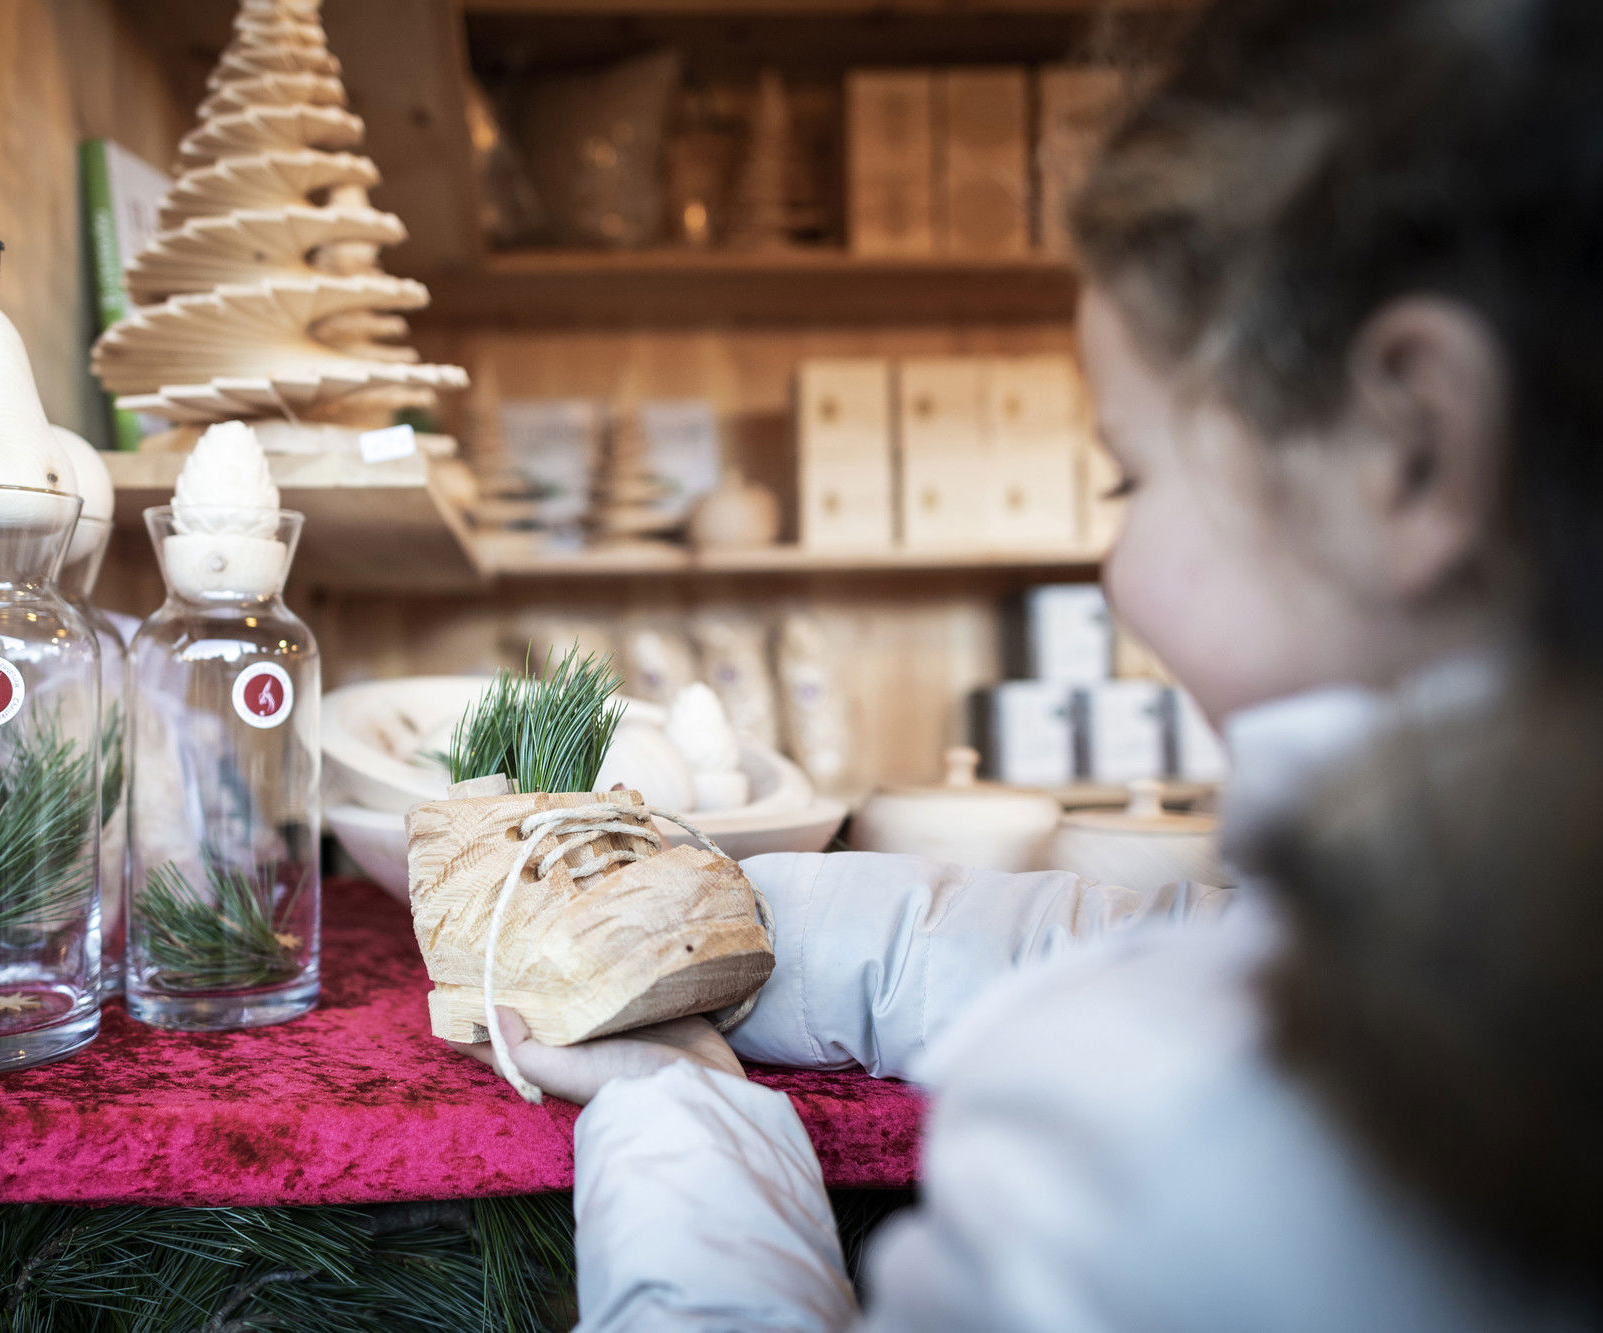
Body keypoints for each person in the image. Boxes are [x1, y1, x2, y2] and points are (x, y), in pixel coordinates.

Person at [448, 0, 1603, 1327]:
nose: (1117, 565)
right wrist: (731, 925)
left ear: (1412, 446)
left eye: (1135, 473)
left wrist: (681, 1104)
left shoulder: (1154, 1146)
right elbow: (1171, 940)